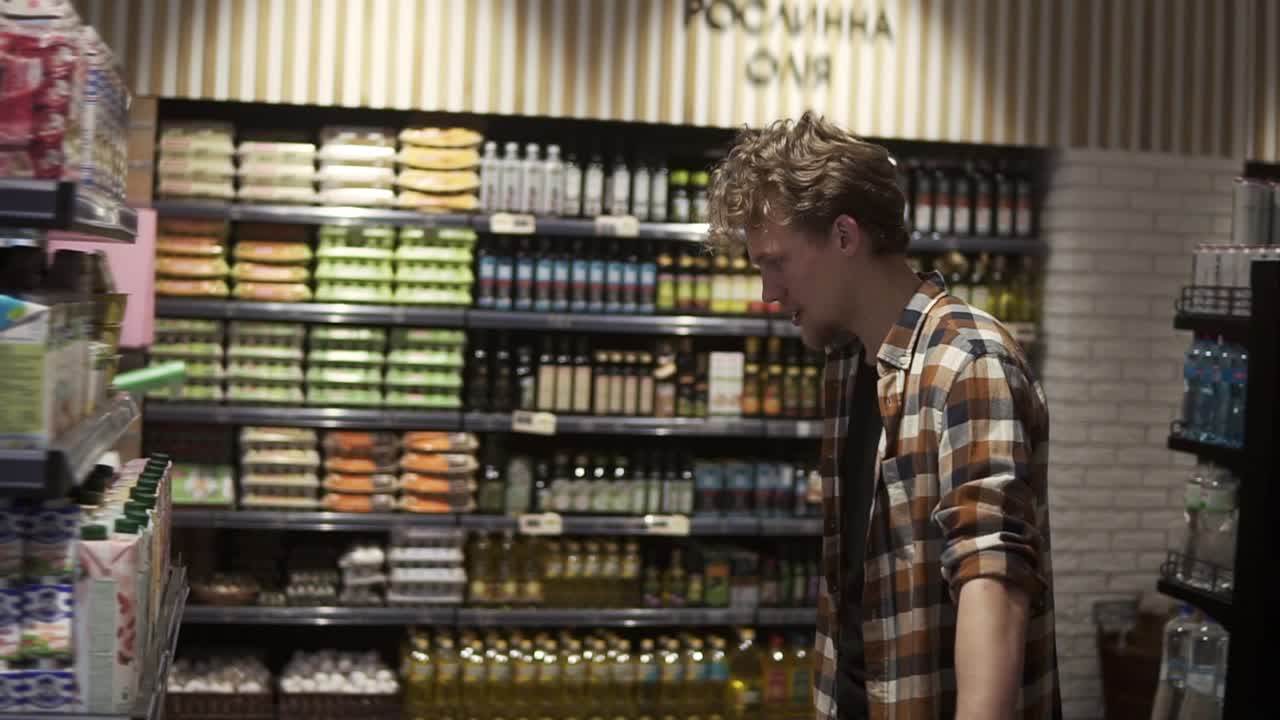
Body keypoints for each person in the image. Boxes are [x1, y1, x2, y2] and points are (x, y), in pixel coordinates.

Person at [706, 112, 1060, 720]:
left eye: (777, 261)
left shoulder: (966, 359)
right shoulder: (849, 363)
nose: (767, 291)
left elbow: (992, 582)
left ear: (845, 237)